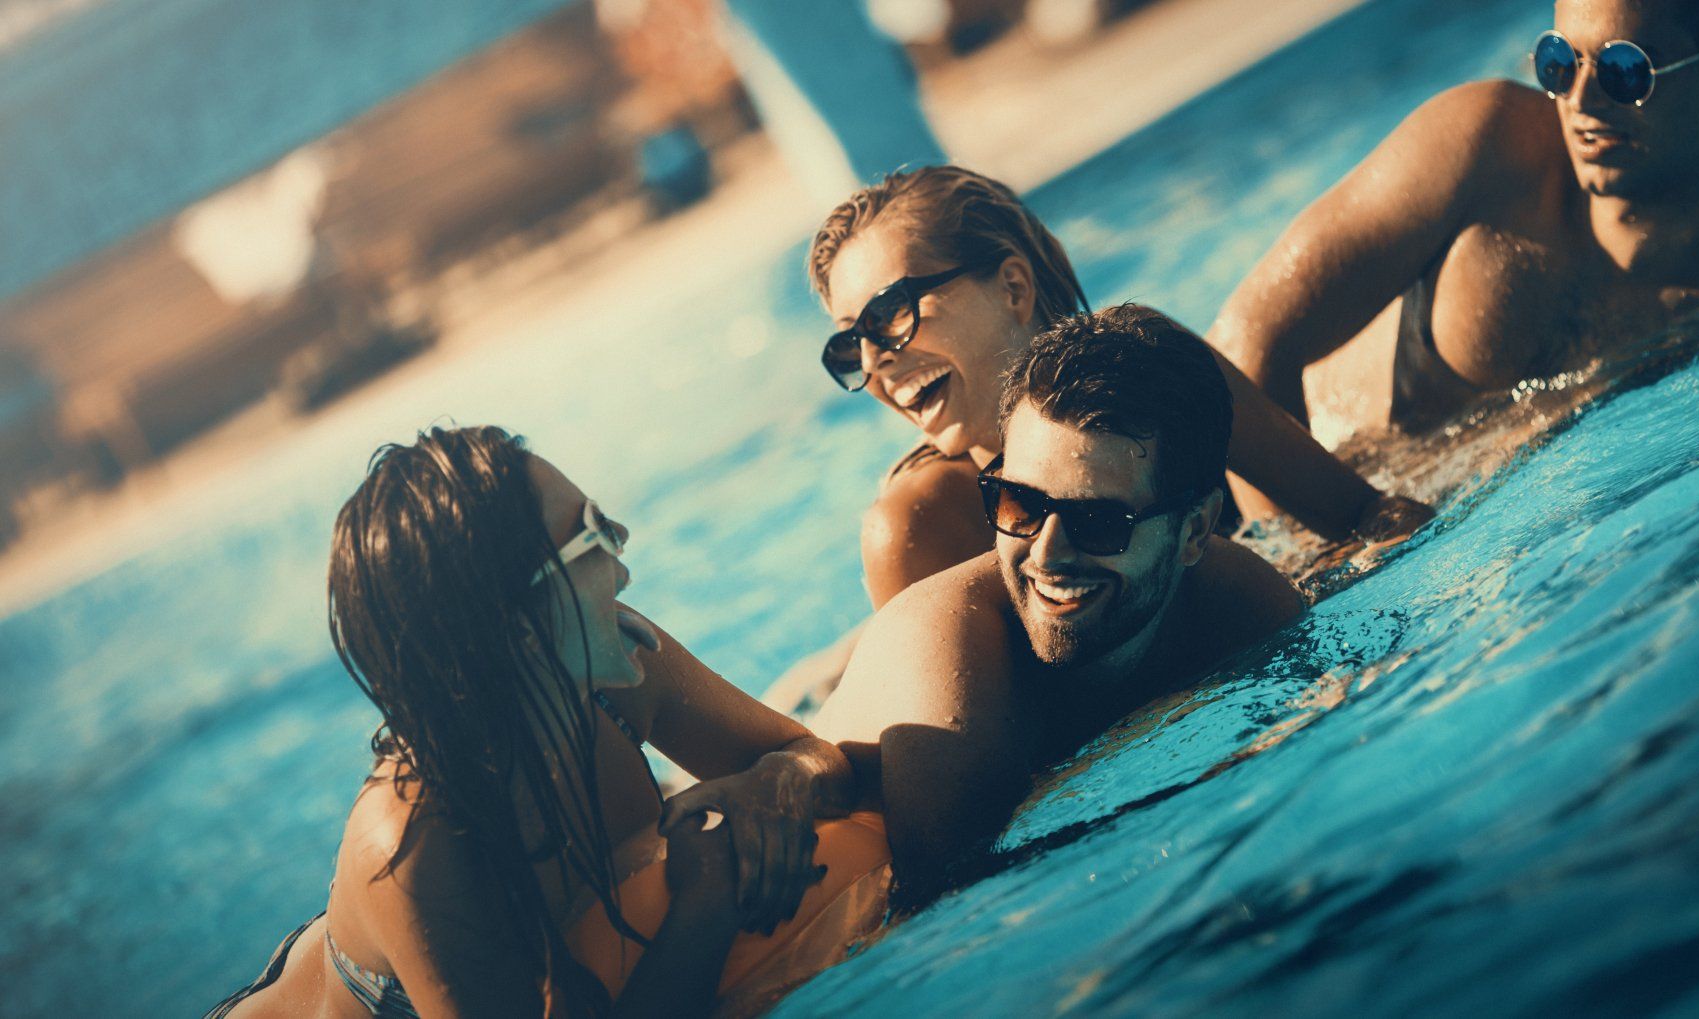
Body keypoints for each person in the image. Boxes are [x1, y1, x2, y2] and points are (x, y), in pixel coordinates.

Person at [209, 426, 886, 1018]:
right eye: (593, 533)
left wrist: (778, 782)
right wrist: (705, 906)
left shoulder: (615, 660)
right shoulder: (416, 845)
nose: (622, 549)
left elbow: (814, 756)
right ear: (517, 622)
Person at [1207, 0, 1699, 520]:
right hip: (1237, 485)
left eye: (1625, 71)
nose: (1579, 100)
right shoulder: (1489, 152)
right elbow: (1245, 346)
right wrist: (1315, 556)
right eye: (1559, 62)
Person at [813, 306, 1306, 904]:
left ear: (1195, 531)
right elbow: (952, 917)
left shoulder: (1242, 603)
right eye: (1019, 503)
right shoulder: (953, 669)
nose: (1045, 552)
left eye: (1097, 521)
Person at [809, 165, 1432, 609]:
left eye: (890, 313)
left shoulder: (1153, 367)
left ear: (1013, 288)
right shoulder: (922, 529)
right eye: (848, 344)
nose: (872, 360)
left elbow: (1371, 516)